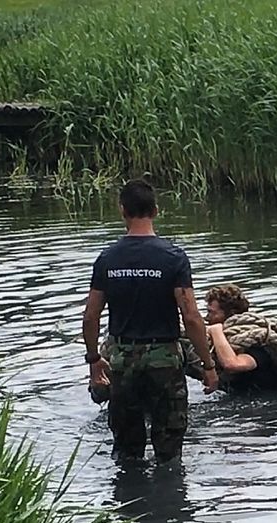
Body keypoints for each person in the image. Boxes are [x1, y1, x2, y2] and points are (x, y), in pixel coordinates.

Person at [83, 179, 217, 463]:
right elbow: (191, 317)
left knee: (126, 453)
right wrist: (208, 365)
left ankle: (129, 505)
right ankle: (170, 505)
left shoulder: (107, 259)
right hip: (164, 362)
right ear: (156, 210)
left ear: (122, 210)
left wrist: (94, 360)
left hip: (122, 363)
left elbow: (91, 315)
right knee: (169, 453)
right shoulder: (173, 257)